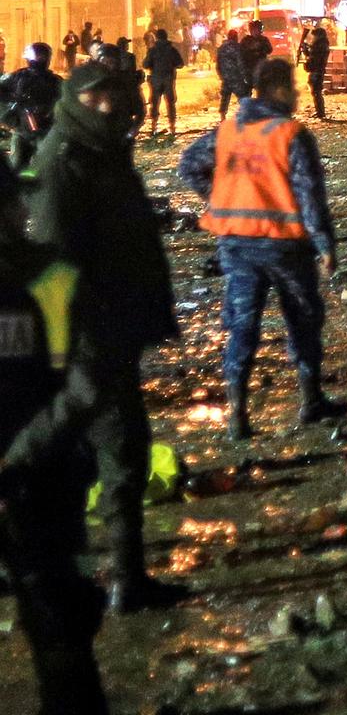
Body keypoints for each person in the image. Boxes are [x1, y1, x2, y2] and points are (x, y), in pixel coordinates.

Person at [27, 62, 182, 615]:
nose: (107, 108)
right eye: (93, 100)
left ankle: (109, 572)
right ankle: (124, 580)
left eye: (111, 97)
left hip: (111, 331)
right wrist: (81, 342)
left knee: (98, 455)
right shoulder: (63, 164)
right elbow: (53, 265)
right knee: (118, 453)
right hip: (90, 341)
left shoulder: (102, 157)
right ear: (74, 102)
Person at [177, 57, 347, 440]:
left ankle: (237, 416)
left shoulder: (226, 131)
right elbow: (310, 195)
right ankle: (311, 400)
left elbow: (188, 166)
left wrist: (219, 197)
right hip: (285, 248)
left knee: (242, 326)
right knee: (303, 320)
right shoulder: (290, 133)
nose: (299, 94)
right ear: (278, 89)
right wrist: (325, 244)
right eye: (294, 86)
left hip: (236, 246)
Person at [0, 157, 109, 713]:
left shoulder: (53, 280)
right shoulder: (55, 276)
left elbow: (85, 384)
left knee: (58, 626)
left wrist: (18, 457)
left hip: (39, 483)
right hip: (37, 474)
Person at [1, 43, 62, 171]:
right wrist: (14, 103)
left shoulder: (54, 80)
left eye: (43, 56)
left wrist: (49, 110)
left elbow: (65, 101)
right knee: (16, 166)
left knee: (47, 167)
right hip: (22, 131)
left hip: (45, 131)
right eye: (38, 56)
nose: (41, 59)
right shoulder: (19, 76)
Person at [94, 41, 146, 137]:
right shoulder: (91, 83)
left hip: (121, 130)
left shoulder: (126, 81)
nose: (107, 65)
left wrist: (132, 131)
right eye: (104, 62)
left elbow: (140, 111)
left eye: (110, 62)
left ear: (117, 63)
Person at [142, 28, 184, 138]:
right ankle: (172, 127)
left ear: (157, 38)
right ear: (166, 37)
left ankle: (154, 126)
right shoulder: (172, 49)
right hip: (168, 80)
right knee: (170, 103)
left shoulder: (153, 50)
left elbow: (146, 64)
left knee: (155, 103)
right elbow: (180, 63)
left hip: (155, 80)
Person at [215, 29, 250, 120]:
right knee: (243, 96)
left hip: (226, 77)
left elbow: (218, 62)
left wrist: (220, 74)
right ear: (236, 37)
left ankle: (222, 116)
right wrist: (245, 76)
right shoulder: (237, 47)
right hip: (236, 77)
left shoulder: (221, 48)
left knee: (225, 97)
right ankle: (246, 114)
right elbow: (240, 63)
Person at [304, 24, 330, 120]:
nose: (313, 38)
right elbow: (311, 55)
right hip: (316, 70)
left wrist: (308, 50)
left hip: (317, 70)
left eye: (314, 36)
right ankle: (319, 111)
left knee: (316, 91)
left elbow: (315, 57)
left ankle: (320, 112)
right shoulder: (320, 45)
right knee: (315, 91)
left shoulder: (320, 45)